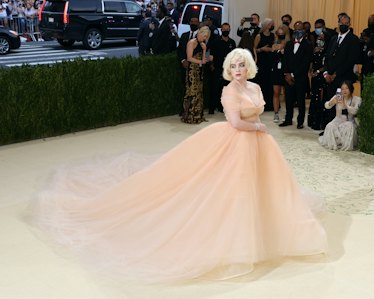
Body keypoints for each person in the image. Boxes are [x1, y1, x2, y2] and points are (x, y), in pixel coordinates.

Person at [30, 48, 327, 283]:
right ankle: (234, 238)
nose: (237, 70)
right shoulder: (230, 91)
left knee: (264, 188)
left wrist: (259, 126)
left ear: (248, 67)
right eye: (233, 66)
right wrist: (258, 128)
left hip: (259, 145)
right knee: (230, 189)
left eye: (241, 65)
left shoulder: (255, 88)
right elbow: (236, 122)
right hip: (237, 142)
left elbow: (259, 110)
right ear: (228, 69)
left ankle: (263, 227)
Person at [322, 13, 360, 129]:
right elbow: (327, 57)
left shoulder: (353, 39)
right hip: (330, 79)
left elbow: (350, 60)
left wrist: (335, 74)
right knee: (332, 102)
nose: (343, 25)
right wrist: (327, 73)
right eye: (341, 23)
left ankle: (341, 130)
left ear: (349, 24)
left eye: (346, 23)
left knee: (341, 105)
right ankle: (330, 128)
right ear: (338, 23)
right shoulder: (334, 38)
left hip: (343, 79)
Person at [279, 21, 313, 129]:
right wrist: (287, 74)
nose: (298, 32)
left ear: (304, 31)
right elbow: (285, 60)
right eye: (296, 30)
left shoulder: (308, 44)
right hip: (288, 77)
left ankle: (300, 121)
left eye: (300, 29)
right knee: (288, 99)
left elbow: (306, 63)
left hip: (300, 77)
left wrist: (293, 74)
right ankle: (288, 119)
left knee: (300, 101)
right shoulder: (289, 44)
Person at [319, 80, 361, 151]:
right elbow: (326, 106)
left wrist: (346, 105)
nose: (344, 91)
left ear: (351, 89)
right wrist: (332, 102)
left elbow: (355, 111)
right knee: (330, 126)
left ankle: (344, 145)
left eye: (346, 88)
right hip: (338, 120)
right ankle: (334, 144)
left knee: (349, 126)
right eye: (342, 89)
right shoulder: (337, 97)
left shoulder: (356, 99)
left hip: (349, 121)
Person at [181, 26, 211, 124]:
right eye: (204, 36)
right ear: (200, 33)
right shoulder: (191, 42)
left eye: (207, 37)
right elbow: (189, 58)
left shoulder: (204, 44)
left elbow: (205, 59)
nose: (205, 38)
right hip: (192, 70)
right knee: (191, 92)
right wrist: (200, 61)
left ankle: (198, 115)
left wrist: (205, 50)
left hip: (200, 70)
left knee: (199, 92)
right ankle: (188, 115)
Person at [209, 22, 236, 114]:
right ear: (221, 30)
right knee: (215, 88)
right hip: (217, 68)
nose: (226, 31)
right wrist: (211, 65)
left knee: (226, 89)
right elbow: (211, 55)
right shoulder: (216, 41)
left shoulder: (232, 42)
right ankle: (211, 108)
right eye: (224, 29)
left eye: (227, 29)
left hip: (228, 70)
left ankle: (222, 107)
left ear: (229, 30)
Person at [254, 18, 275, 111]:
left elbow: (274, 47)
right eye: (271, 24)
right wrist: (261, 49)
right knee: (261, 82)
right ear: (267, 25)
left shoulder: (273, 35)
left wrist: (270, 49)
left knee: (269, 82)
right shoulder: (259, 36)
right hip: (261, 61)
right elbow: (254, 49)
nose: (272, 26)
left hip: (270, 61)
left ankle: (269, 104)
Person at [271, 25, 288, 122]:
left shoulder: (289, 44)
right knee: (276, 92)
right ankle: (276, 113)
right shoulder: (274, 45)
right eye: (279, 34)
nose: (280, 35)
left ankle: (287, 113)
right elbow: (272, 58)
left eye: (282, 34)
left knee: (287, 94)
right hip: (276, 71)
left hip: (285, 71)